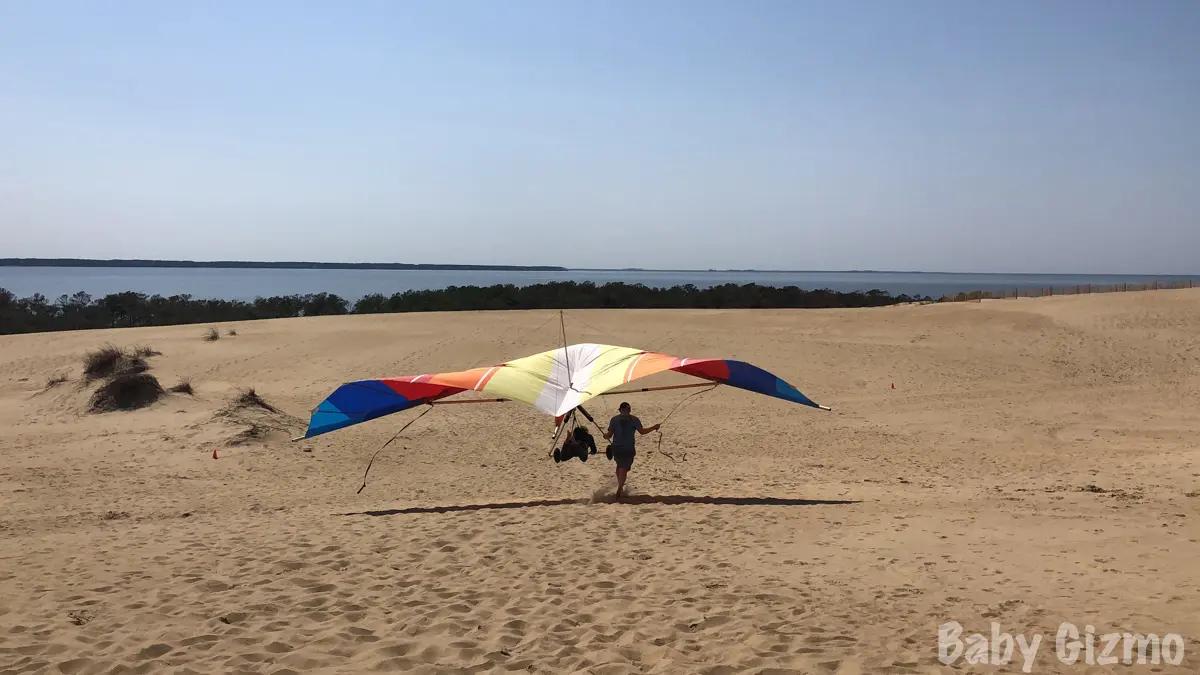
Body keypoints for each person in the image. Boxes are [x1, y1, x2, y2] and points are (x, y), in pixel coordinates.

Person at [602, 401, 660, 497]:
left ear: (620, 410)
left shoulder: (614, 419)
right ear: (629, 410)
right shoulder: (634, 419)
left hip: (617, 448)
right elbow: (642, 432)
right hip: (627, 448)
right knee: (623, 469)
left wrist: (605, 436)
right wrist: (653, 427)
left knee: (619, 467)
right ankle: (620, 488)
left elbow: (609, 435)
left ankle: (620, 486)